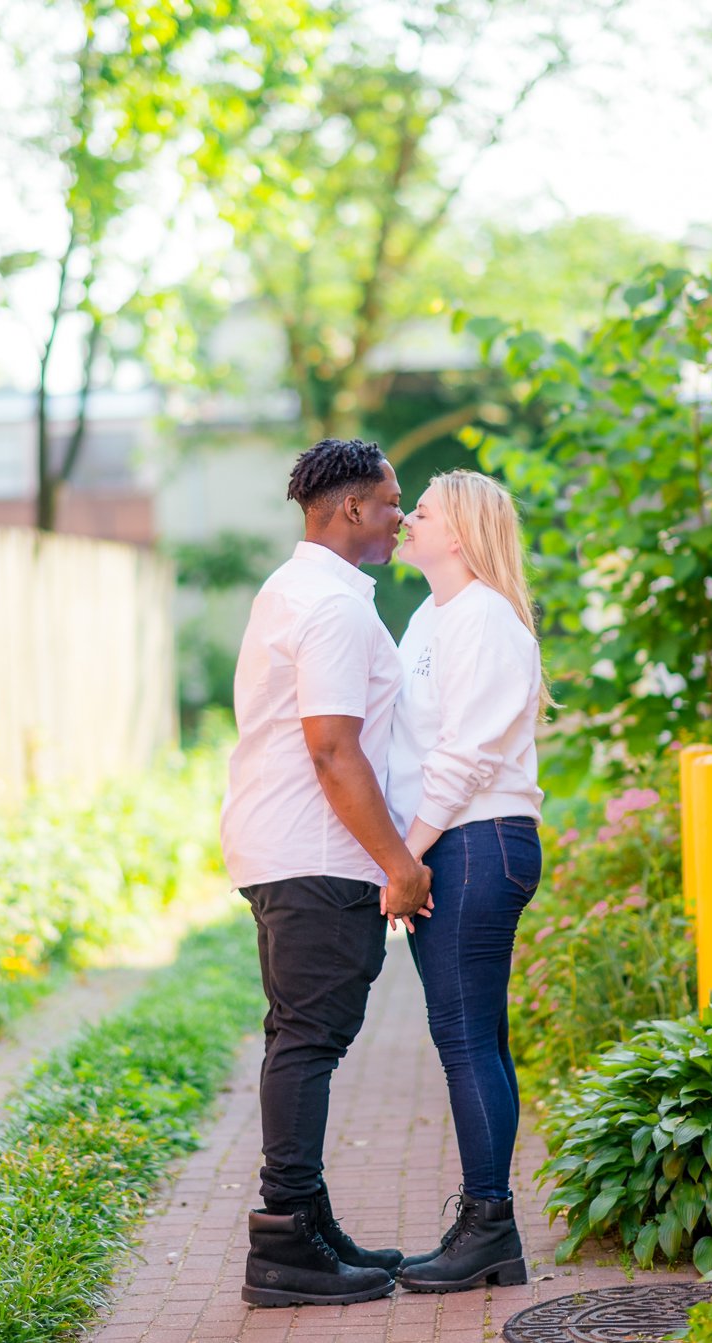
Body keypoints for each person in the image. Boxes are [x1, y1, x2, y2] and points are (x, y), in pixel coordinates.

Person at [221, 438, 433, 1308]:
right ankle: (284, 1246)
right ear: (349, 508)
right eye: (389, 502)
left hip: (287, 848)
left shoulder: (295, 587)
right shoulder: (334, 609)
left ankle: (306, 1226)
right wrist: (399, 862)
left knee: (298, 1036)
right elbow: (332, 746)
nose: (399, 516)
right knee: (309, 1040)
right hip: (314, 854)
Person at [383, 469, 547, 1294]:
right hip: (455, 840)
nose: (406, 518)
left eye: (422, 511)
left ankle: (488, 1226)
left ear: (461, 532)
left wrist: (406, 859)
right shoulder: (428, 616)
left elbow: (463, 754)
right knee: (477, 1035)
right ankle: (490, 1227)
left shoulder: (483, 616)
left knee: (462, 1036)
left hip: (477, 840)